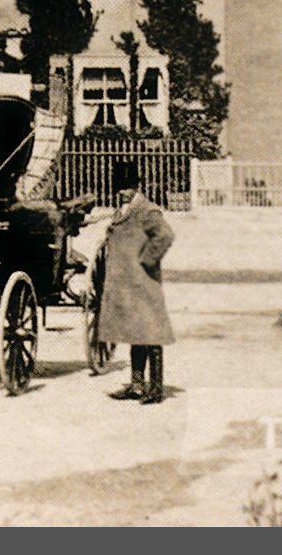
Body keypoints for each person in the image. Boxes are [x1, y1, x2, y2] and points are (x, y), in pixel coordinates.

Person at [98, 159, 175, 405]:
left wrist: (146, 262)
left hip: (143, 282)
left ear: (136, 186)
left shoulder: (147, 211)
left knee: (151, 333)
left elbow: (165, 236)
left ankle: (156, 388)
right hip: (127, 284)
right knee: (135, 333)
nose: (121, 192)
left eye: (126, 187)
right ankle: (136, 384)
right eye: (118, 187)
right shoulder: (122, 211)